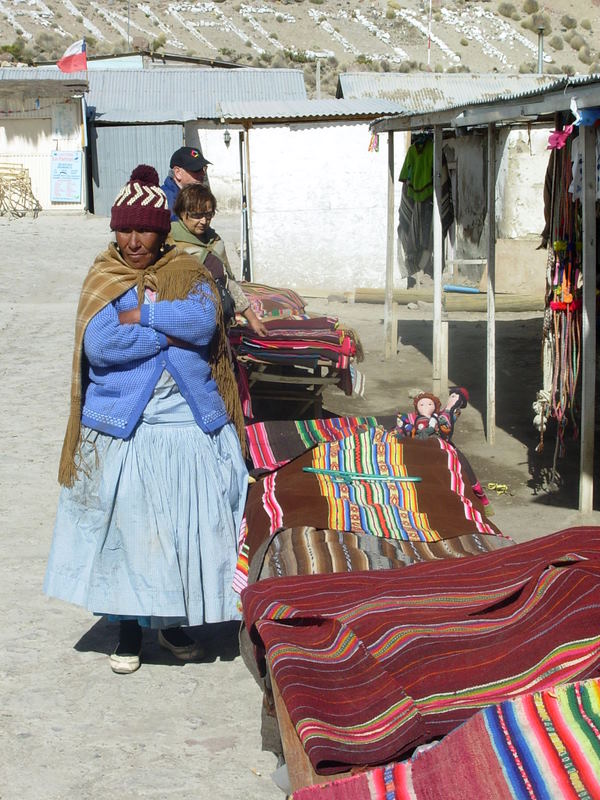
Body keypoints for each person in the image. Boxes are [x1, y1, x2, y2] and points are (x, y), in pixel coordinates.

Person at [44, 164, 248, 675]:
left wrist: (140, 316)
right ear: (116, 230)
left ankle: (172, 621)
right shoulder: (105, 276)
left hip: (187, 419)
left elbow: (203, 324)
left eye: (145, 230)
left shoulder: (189, 269)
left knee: (182, 525)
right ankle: (129, 628)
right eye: (126, 230)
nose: (135, 241)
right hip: (124, 424)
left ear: (162, 231)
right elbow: (102, 345)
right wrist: (165, 329)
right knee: (131, 527)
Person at [171, 183, 268, 337]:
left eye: (208, 215)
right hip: (187, 324)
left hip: (219, 321)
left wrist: (253, 319)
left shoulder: (215, 241)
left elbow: (228, 282)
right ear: (182, 213)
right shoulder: (171, 244)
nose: (204, 221)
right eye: (197, 215)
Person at [161, 146, 211, 220]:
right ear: (178, 172)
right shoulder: (164, 200)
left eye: (203, 169)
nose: (202, 174)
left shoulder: (194, 194)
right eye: (196, 170)